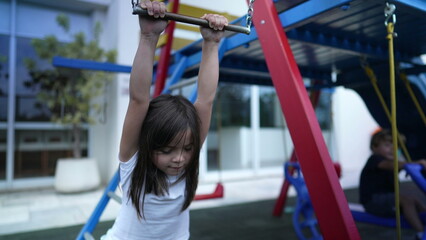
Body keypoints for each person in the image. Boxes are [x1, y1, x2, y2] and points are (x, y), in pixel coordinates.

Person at [101, 1, 228, 239]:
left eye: (187, 148)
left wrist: (211, 43)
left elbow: (205, 100)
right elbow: (139, 99)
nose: (179, 158)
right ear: (149, 143)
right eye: (167, 150)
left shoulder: (187, 162)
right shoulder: (134, 160)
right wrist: (149, 36)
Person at [359, 129, 426, 240]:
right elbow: (390, 165)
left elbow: (395, 166)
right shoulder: (375, 159)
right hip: (372, 201)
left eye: (396, 147)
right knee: (407, 200)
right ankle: (420, 233)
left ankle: (422, 220)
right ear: (374, 147)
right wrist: (413, 163)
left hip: (386, 200)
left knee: (415, 200)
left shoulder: (390, 162)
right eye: (387, 145)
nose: (393, 149)